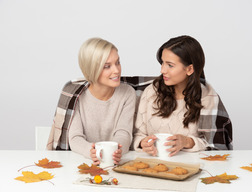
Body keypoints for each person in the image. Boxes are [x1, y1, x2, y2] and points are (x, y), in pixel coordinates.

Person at [133, 35, 232, 157]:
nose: (162, 70)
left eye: (170, 65)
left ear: (190, 69)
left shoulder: (207, 97)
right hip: (152, 165)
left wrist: (187, 142)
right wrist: (142, 143)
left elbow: (216, 146)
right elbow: (138, 134)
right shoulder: (151, 92)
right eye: (162, 63)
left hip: (193, 168)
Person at [47, 37, 136, 166]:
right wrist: (92, 152)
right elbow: (75, 137)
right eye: (107, 66)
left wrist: (117, 151)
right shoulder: (75, 95)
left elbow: (124, 132)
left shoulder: (127, 93)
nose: (116, 70)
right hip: (80, 162)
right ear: (91, 69)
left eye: (118, 62)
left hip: (116, 163)